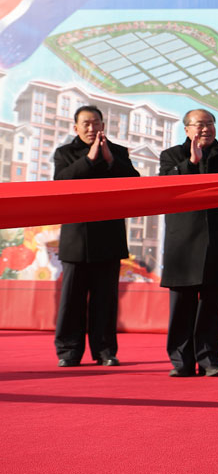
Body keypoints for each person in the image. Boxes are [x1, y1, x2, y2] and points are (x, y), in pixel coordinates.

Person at [159, 109, 218, 378]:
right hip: (183, 243)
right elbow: (166, 188)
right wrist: (191, 163)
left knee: (211, 305)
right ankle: (180, 360)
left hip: (216, 241)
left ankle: (208, 358)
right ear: (187, 129)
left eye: (210, 124)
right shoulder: (172, 156)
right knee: (181, 306)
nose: (206, 129)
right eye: (199, 124)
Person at [53, 105, 140, 367]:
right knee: (71, 300)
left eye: (97, 123)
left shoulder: (117, 152)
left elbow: (134, 183)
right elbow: (61, 182)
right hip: (76, 237)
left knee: (105, 301)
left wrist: (110, 160)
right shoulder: (65, 153)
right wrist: (90, 159)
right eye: (86, 124)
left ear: (104, 125)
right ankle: (68, 352)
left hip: (109, 237)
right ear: (75, 127)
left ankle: (105, 351)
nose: (92, 129)